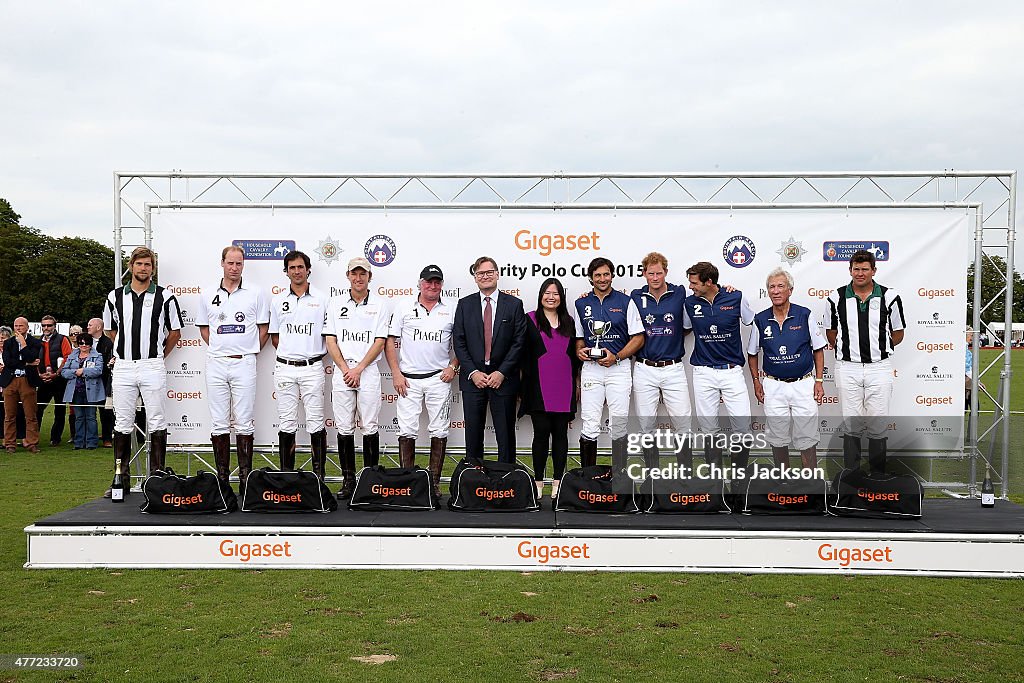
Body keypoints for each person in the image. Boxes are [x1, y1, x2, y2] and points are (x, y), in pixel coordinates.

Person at [103, 246, 183, 494]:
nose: (143, 268)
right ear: (131, 266)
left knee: (157, 420)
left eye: (148, 264)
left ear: (153, 268)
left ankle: (157, 477)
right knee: (122, 422)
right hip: (124, 366)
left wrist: (156, 355)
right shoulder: (114, 296)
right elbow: (110, 331)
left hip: (152, 364)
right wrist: (126, 351)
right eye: (139, 264)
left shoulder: (165, 296)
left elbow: (175, 333)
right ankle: (121, 479)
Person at [196, 245, 270, 494]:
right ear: (222, 263)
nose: (235, 268)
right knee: (219, 423)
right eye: (231, 263)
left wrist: (248, 351)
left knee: (244, 422)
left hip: (244, 362)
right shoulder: (207, 294)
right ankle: (223, 479)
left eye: (239, 264)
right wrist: (221, 348)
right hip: (216, 362)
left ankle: (246, 480)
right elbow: (205, 329)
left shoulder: (256, 293)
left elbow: (263, 329)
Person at [826, 249, 905, 474]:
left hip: (878, 367)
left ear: (873, 270)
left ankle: (877, 477)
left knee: (878, 425)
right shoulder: (836, 297)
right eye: (856, 269)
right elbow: (831, 333)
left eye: (865, 269)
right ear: (850, 270)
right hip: (847, 367)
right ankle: (852, 477)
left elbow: (898, 332)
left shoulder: (890, 296)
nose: (860, 273)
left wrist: (879, 346)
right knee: (851, 425)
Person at [385, 264, 458, 500]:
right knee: (407, 431)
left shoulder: (452, 309)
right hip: (408, 380)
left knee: (439, 430)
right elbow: (390, 340)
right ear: (420, 283)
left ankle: (434, 484)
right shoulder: (404, 306)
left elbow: (463, 343)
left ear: (442, 285)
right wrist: (395, 372)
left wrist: (453, 366)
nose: (433, 286)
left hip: (439, 378)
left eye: (437, 282)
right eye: (428, 281)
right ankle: (409, 483)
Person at [746, 268, 826, 469]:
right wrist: (757, 381)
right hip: (773, 385)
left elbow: (818, 349)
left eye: (780, 286)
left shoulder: (804, 314)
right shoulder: (760, 319)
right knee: (777, 436)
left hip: (804, 384)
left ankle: (810, 481)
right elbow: (752, 353)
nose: (775, 291)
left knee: (807, 436)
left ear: (790, 289)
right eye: (771, 287)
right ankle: (783, 479)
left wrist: (819, 381)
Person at [323, 256, 389, 499]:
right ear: (348, 275)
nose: (358, 278)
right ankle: (348, 481)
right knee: (344, 427)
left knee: (370, 425)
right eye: (354, 273)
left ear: (370, 277)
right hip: (343, 370)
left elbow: (380, 341)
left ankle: (371, 480)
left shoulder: (381, 305)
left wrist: (359, 368)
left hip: (367, 370)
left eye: (363, 274)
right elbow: (331, 339)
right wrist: (345, 369)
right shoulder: (335, 303)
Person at [683, 261, 756, 476]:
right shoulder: (689, 303)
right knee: (709, 430)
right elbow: (686, 329)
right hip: (703, 372)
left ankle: (738, 479)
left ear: (709, 281)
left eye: (694, 283)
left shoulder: (736, 297)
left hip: (732, 371)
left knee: (742, 428)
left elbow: (753, 322)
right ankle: (714, 481)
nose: (691, 287)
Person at [453, 256, 528, 464]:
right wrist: (473, 372)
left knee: (505, 436)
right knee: (473, 437)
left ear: (497, 274)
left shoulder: (513, 304)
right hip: (473, 380)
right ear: (475, 278)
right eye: (480, 273)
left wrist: (502, 372)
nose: (485, 276)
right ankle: (474, 482)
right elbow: (459, 342)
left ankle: (506, 483)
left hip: (503, 380)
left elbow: (518, 342)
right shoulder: (464, 304)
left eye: (489, 272)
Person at [574, 257, 644, 473]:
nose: (602, 279)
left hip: (618, 369)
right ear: (590, 278)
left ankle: (620, 479)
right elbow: (579, 337)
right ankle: (588, 479)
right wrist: (579, 350)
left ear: (612, 275)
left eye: (606, 274)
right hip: (591, 371)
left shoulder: (626, 301)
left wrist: (618, 357)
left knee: (619, 425)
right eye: (597, 275)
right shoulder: (581, 303)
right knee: (589, 424)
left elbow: (639, 338)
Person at [269, 250, 329, 480]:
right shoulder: (277, 301)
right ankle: (287, 478)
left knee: (315, 421)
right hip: (284, 367)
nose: (296, 271)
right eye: (292, 268)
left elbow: (328, 336)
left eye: (300, 267)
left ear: (308, 269)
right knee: (287, 422)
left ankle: (319, 479)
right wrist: (290, 354)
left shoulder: (322, 300)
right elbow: (275, 337)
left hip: (312, 367)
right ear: (286, 272)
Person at [630, 252, 693, 468]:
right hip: (644, 367)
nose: (655, 277)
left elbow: (685, 327)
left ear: (666, 272)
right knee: (647, 425)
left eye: (659, 273)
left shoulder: (679, 292)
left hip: (673, 367)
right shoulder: (636, 296)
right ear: (644, 274)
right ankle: (652, 475)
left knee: (683, 424)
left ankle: (685, 474)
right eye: (650, 273)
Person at [519, 277, 580, 500]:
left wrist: (577, 384)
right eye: (547, 292)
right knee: (541, 434)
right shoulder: (529, 320)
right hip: (538, 387)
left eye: (555, 293)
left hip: (564, 386)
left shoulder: (570, 322)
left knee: (561, 435)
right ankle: (538, 482)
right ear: (541, 295)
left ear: (561, 297)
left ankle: (557, 482)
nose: (551, 297)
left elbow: (575, 357)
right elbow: (522, 354)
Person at [0, 317, 42, 453]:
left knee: (30, 414)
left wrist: (23, 345)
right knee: (9, 414)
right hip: (10, 381)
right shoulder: (8, 343)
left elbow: (32, 357)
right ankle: (10, 443)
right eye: (16, 326)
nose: (18, 328)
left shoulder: (35, 342)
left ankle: (32, 443)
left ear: (27, 327)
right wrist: (26, 363)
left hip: (27, 381)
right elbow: (8, 362)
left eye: (21, 326)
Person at [61, 333, 105, 449]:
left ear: (91, 344)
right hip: (76, 391)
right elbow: (64, 372)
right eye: (81, 343)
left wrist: (83, 371)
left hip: (91, 391)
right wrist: (76, 372)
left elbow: (98, 370)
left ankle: (91, 442)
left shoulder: (98, 355)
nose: (84, 345)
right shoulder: (72, 355)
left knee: (91, 417)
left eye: (87, 343)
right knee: (79, 417)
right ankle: (79, 442)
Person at [35, 315, 73, 447]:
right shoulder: (38, 341)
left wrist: (56, 374)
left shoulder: (62, 339)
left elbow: (67, 357)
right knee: (37, 409)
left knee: (59, 410)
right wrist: (40, 375)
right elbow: (34, 360)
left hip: (59, 380)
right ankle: (34, 437)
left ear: (54, 326)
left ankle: (55, 438)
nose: (46, 327)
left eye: (49, 325)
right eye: (44, 325)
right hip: (43, 380)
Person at [87, 318, 115, 447]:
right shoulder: (85, 340)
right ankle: (87, 437)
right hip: (87, 380)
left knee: (105, 411)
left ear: (99, 327)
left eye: (90, 325)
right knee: (87, 410)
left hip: (103, 381)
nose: (87, 327)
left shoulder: (108, 343)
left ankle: (107, 438)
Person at [0, 326, 27, 445]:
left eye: (4, 338)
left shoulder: (13, 350)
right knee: (1, 413)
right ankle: (4, 438)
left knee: (18, 412)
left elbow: (19, 363)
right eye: (0, 338)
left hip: (11, 383)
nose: (1, 340)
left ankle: (20, 437)